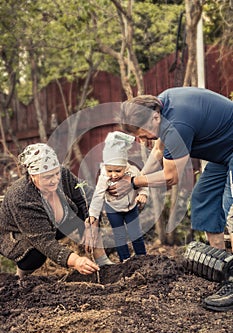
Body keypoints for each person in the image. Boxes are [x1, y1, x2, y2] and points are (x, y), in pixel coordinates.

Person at [108, 87, 233, 311]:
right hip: (223, 153)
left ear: (155, 117)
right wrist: (137, 180)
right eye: (138, 136)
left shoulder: (176, 125)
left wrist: (135, 184)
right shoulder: (160, 106)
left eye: (143, 132)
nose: (143, 139)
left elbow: (171, 177)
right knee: (204, 200)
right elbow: (158, 151)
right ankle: (225, 271)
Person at [0, 143, 112, 279]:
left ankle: (102, 260)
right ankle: (20, 278)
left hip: (56, 222)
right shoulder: (21, 197)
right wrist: (76, 261)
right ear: (32, 175)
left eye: (56, 173)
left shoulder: (63, 174)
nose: (54, 180)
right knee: (35, 254)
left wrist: (91, 224)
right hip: (17, 236)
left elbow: (85, 198)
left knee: (86, 213)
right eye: (47, 177)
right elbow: (44, 241)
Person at [85, 131, 149, 262]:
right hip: (113, 210)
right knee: (119, 235)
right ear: (105, 167)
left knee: (135, 233)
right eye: (110, 171)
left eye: (118, 171)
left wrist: (143, 194)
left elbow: (143, 183)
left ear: (125, 166)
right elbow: (98, 196)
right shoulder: (104, 177)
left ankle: (142, 257)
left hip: (131, 208)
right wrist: (93, 214)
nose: (113, 175)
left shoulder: (133, 171)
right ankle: (124, 259)